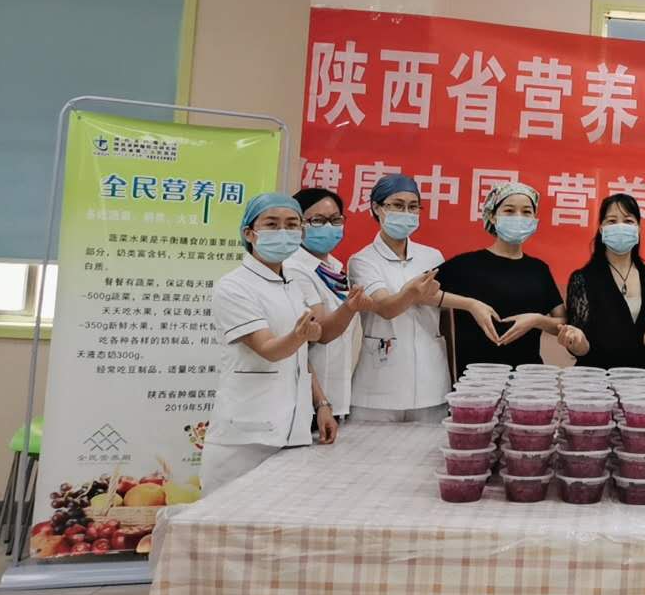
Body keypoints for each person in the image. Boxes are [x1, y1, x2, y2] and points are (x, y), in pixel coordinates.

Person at [205, 193, 363, 494]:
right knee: (229, 516)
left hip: (292, 427)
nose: (283, 231)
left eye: (291, 225)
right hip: (246, 436)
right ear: (249, 233)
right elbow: (268, 349)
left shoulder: (290, 282)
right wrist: (299, 336)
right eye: (271, 224)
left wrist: (321, 404)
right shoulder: (234, 286)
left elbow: (302, 354)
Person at [348, 173, 499, 423]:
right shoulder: (363, 260)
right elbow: (386, 307)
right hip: (377, 390)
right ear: (376, 207)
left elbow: (441, 313)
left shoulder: (431, 256)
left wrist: (470, 304)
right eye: (397, 205)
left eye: (413, 206)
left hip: (431, 384)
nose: (406, 213)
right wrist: (413, 292)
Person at [437, 181, 572, 371]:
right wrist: (470, 304)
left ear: (534, 219)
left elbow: (562, 322)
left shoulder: (538, 269)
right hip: (476, 378)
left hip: (527, 377)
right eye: (509, 211)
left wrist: (536, 320)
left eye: (526, 212)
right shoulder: (465, 264)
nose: (518, 217)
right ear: (492, 216)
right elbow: (420, 293)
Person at [285, 187, 364, 419]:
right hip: (306, 400)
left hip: (335, 395)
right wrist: (351, 306)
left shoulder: (334, 267)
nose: (329, 227)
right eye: (318, 220)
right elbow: (321, 332)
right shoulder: (293, 268)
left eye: (335, 220)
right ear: (298, 224)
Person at [559, 193, 645, 369]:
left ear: (638, 228)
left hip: (644, 377)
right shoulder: (583, 278)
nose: (620, 226)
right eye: (612, 221)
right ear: (601, 229)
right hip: (598, 377)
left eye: (628, 221)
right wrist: (576, 343)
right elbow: (579, 343)